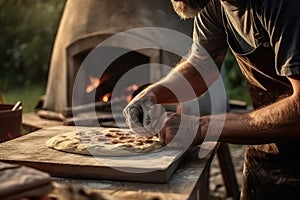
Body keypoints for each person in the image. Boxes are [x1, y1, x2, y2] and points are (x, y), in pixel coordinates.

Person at [123, 0, 300, 199]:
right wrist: (153, 94)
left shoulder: (284, 6)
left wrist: (200, 127)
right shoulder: (213, 4)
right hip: (269, 150)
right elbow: (200, 67)